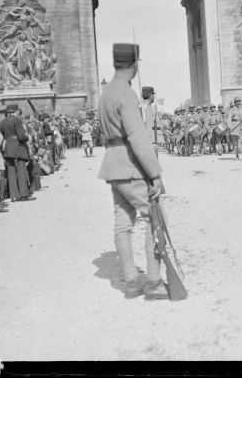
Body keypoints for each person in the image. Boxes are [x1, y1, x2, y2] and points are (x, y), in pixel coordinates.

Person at [97, 43, 167, 300]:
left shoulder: (105, 94)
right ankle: (154, 281)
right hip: (130, 165)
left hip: (112, 164)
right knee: (155, 217)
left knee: (123, 223)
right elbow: (137, 137)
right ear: (134, 65)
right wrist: (155, 172)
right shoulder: (126, 94)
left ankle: (131, 280)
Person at [0, 104, 34, 202]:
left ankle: (14, 196)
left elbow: (1, 135)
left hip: (8, 149)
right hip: (18, 149)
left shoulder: (2, 122)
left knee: (11, 173)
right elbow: (21, 137)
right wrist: (28, 136)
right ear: (16, 111)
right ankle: (24, 195)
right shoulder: (17, 121)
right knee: (21, 172)